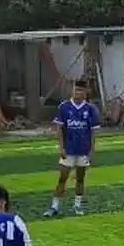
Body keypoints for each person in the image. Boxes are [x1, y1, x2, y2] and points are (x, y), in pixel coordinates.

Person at [44, 79, 100, 217]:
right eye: (76, 89)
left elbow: (93, 131)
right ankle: (54, 206)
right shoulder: (64, 107)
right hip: (68, 149)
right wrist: (61, 147)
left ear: (85, 92)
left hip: (83, 150)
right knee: (62, 178)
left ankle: (77, 205)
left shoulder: (90, 109)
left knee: (80, 179)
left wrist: (92, 150)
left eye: (80, 90)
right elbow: (59, 129)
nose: (77, 92)